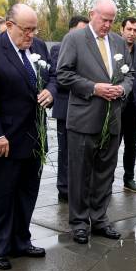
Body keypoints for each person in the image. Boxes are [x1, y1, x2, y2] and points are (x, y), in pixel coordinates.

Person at [0, 4, 53, 270]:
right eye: (26, 29)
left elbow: (52, 77)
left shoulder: (39, 47)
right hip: (5, 138)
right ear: (9, 26)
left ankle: (21, 240)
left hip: (35, 136)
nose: (31, 35)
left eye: (34, 29)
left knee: (27, 192)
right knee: (1, 194)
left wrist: (51, 92)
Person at [56, 0, 134, 244]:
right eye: (104, 20)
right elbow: (63, 74)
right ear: (92, 14)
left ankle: (99, 219)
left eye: (112, 21)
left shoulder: (119, 42)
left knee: (105, 173)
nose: (108, 25)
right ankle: (79, 222)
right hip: (83, 118)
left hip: (111, 119)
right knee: (79, 173)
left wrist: (122, 90)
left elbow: (129, 74)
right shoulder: (75, 39)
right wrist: (94, 88)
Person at [50, 15, 89, 203]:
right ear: (71, 30)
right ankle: (64, 188)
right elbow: (60, 78)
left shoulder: (88, 49)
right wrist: (85, 83)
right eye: (81, 30)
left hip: (84, 108)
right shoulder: (59, 48)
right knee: (65, 150)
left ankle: (79, 186)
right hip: (65, 108)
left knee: (81, 152)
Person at [119, 17, 136, 193]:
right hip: (114, 106)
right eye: (129, 29)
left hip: (134, 107)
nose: (132, 33)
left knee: (131, 145)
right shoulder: (112, 48)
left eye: (135, 30)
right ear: (122, 29)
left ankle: (129, 178)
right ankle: (104, 179)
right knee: (110, 145)